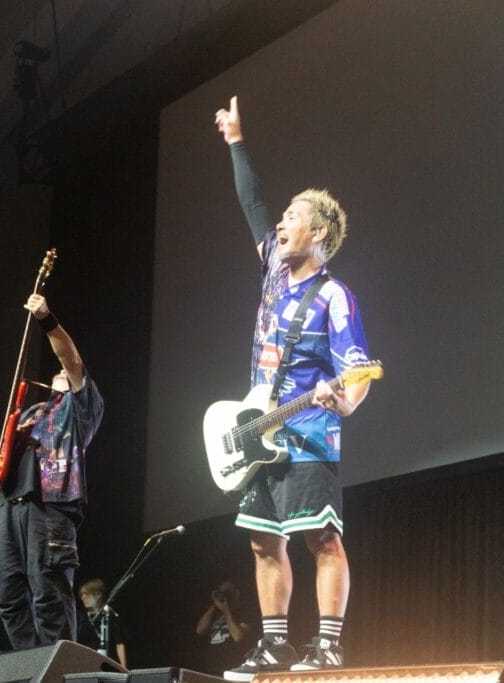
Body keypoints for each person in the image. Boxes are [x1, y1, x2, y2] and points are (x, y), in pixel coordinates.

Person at [214, 96, 372, 679]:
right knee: (262, 542)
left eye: (292, 216)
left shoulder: (335, 296)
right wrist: (235, 140)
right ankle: (276, 643)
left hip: (309, 432)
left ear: (321, 231)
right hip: (261, 429)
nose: (279, 223)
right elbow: (252, 202)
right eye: (281, 218)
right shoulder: (272, 271)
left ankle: (327, 645)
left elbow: (356, 370)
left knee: (320, 538)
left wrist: (346, 400)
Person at [0, 293, 104, 650]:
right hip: (9, 508)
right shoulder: (31, 413)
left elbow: (71, 358)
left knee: (48, 592)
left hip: (48, 509)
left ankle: (55, 668)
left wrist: (47, 318)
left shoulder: (80, 410)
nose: (61, 373)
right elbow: (12, 458)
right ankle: (30, 665)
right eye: (58, 374)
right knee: (10, 596)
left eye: (65, 374)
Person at [195, 579, 250, 675]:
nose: (224, 595)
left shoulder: (245, 613)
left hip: (233, 669)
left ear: (236, 593)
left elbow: (238, 637)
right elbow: (200, 630)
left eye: (227, 592)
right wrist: (214, 604)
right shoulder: (216, 614)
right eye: (221, 592)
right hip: (212, 671)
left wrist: (227, 611)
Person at [76, 578, 128, 667]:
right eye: (81, 595)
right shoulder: (80, 616)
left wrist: (123, 666)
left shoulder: (111, 615)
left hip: (108, 663)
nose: (83, 597)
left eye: (86, 594)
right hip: (86, 663)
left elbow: (119, 643)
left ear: (98, 595)